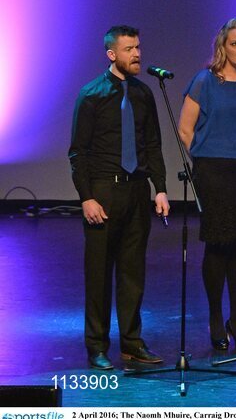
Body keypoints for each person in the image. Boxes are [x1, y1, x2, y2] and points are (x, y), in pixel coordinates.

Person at [69, 25, 170, 370]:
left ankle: (131, 342)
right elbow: (78, 152)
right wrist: (86, 197)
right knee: (98, 274)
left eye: (138, 47)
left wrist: (160, 188)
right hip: (104, 191)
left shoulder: (144, 93)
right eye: (129, 49)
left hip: (136, 190)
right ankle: (97, 345)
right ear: (112, 54)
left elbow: (153, 145)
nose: (137, 54)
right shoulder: (92, 95)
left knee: (132, 272)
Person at [178, 18, 236, 351]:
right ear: (223, 46)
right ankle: (216, 317)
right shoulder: (205, 80)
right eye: (235, 44)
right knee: (217, 244)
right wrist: (206, 157)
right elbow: (185, 129)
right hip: (213, 171)